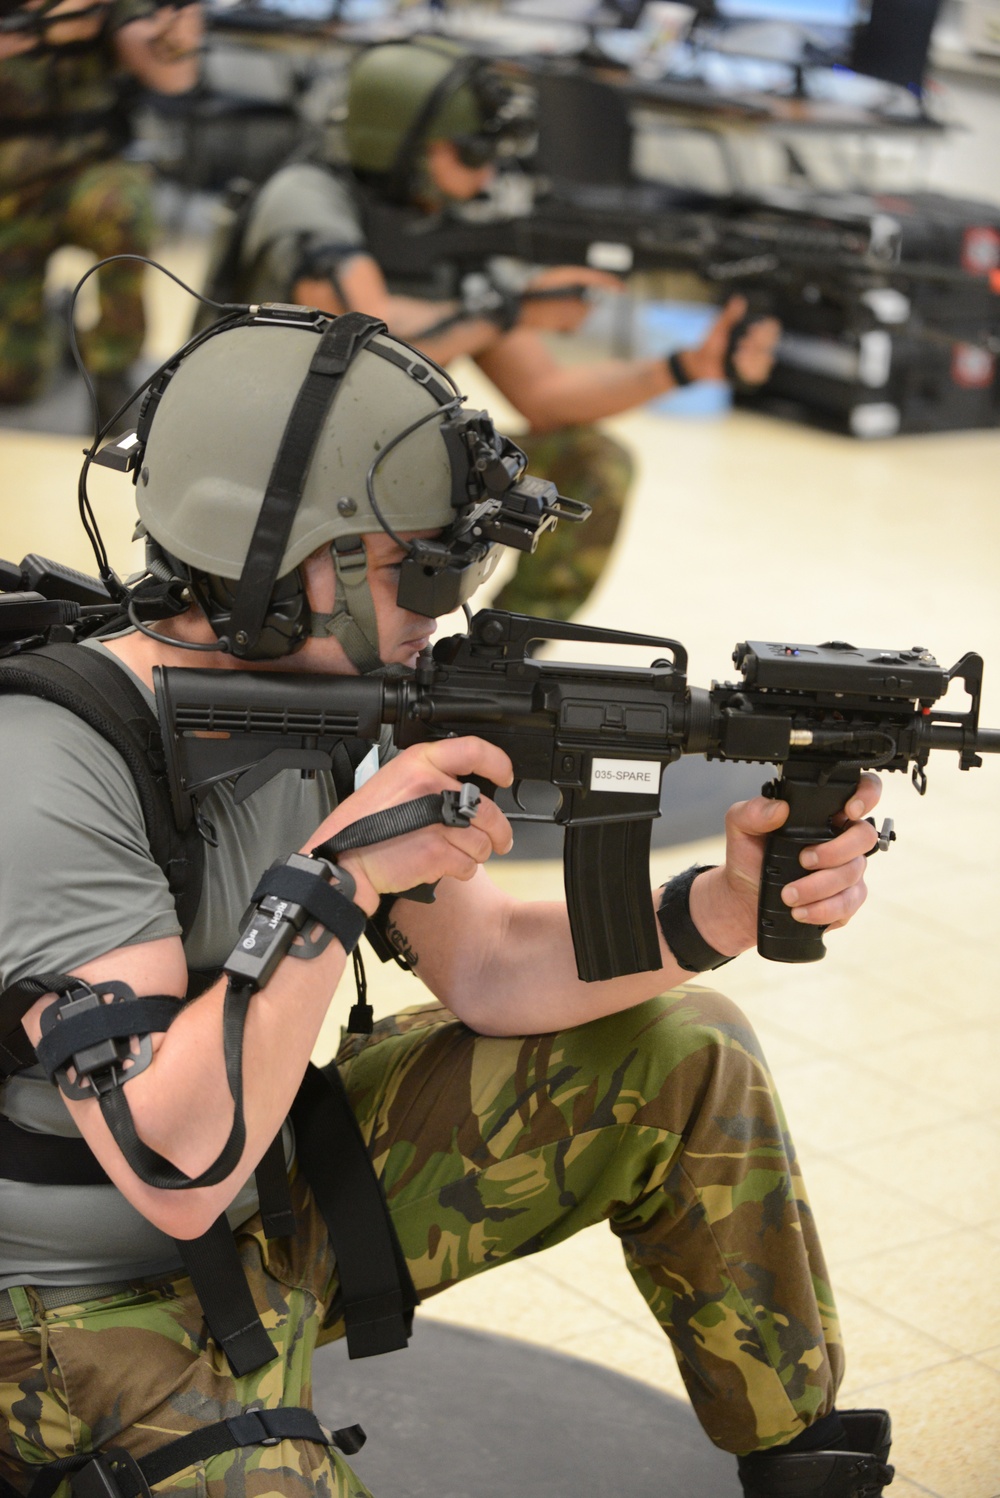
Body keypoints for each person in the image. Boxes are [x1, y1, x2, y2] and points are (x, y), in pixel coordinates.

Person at [0, 307, 894, 1498]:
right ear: (277, 554)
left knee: (688, 1049)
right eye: (420, 564)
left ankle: (801, 1457)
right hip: (62, 1310)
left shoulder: (318, 699)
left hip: (264, 1203)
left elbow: (487, 967)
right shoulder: (49, 764)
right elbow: (177, 1159)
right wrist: (336, 877)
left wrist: (722, 906)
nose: (450, 598)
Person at [233, 36, 780, 622]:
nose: (488, 174)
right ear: (404, 145)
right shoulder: (308, 197)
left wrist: (688, 366)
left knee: (593, 463)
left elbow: (546, 397)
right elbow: (367, 346)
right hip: (270, 464)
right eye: (471, 154)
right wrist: (506, 310)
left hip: (375, 460)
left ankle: (498, 658)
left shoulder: (446, 229)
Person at [0, 0, 202, 422]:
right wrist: (40, 31)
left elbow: (172, 78)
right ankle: (57, 327)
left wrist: (177, 38)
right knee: (13, 384)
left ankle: (113, 362)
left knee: (122, 208)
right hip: (9, 193)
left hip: (86, 176)